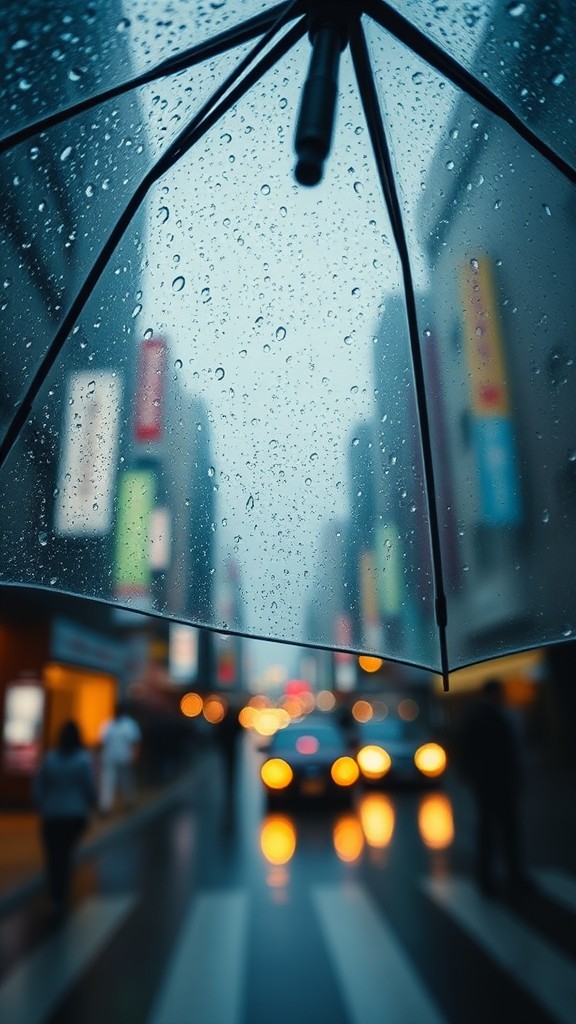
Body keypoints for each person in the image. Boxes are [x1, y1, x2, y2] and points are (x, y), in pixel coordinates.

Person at [459, 677, 527, 896]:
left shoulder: (499, 716)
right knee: (492, 830)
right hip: (489, 782)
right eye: (499, 693)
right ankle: (490, 878)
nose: (501, 698)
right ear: (491, 694)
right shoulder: (483, 718)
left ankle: (508, 875)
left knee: (505, 830)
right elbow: (468, 750)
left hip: (498, 781)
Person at [33, 719, 96, 917]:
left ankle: (55, 897)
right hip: (74, 815)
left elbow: (38, 786)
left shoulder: (50, 759)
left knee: (52, 857)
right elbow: (89, 787)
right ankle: (62, 895)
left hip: (51, 815)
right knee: (66, 855)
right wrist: (92, 804)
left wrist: (41, 804)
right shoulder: (82, 760)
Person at [98, 702, 141, 814]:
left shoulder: (129, 724)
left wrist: (134, 755)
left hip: (125, 757)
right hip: (110, 757)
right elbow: (102, 742)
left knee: (126, 781)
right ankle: (105, 807)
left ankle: (129, 801)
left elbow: (135, 742)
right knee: (108, 782)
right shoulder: (108, 724)